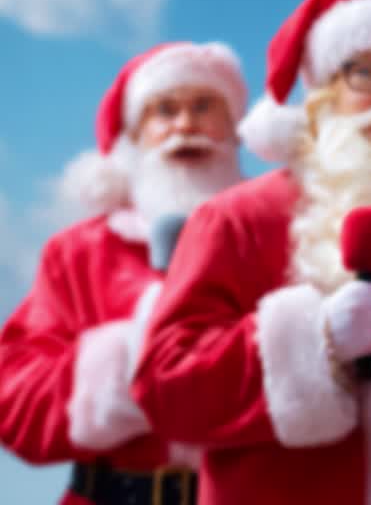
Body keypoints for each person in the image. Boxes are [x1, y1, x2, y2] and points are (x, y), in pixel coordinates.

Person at [130, 0, 371, 505]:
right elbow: (165, 388)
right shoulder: (236, 219)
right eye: (365, 73)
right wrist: (316, 338)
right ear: (324, 95)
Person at [0, 41, 247, 504]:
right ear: (132, 140)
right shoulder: (79, 252)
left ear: (236, 129)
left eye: (204, 105)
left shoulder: (275, 237)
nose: (186, 124)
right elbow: (15, 409)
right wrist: (132, 357)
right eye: (164, 110)